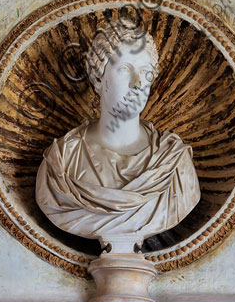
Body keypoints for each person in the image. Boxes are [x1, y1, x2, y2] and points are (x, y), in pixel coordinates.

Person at [35, 22, 199, 251]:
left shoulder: (175, 165)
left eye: (146, 72)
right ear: (98, 79)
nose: (138, 83)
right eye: (124, 69)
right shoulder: (62, 163)